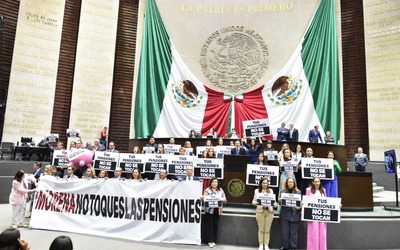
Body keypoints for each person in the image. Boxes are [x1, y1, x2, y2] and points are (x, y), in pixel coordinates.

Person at [252, 177, 277, 250]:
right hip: (260, 211)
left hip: (269, 211)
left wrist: (275, 204)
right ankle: (260, 244)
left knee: (267, 229)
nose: (265, 184)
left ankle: (266, 244)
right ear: (261, 183)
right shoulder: (256, 191)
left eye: (266, 183)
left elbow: (273, 201)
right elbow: (253, 201)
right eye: (263, 183)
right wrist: (255, 203)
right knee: (261, 229)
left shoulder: (271, 191)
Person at [202, 178, 227, 248]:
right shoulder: (207, 190)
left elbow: (225, 199)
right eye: (213, 182)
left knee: (215, 225)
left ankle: (213, 240)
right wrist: (203, 197)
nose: (214, 183)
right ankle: (209, 241)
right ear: (211, 183)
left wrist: (223, 200)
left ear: (218, 183)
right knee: (209, 226)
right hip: (209, 210)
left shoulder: (221, 190)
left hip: (217, 210)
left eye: (216, 182)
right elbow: (204, 198)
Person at [278, 177, 301, 250]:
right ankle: (285, 247)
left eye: (292, 182)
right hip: (285, 214)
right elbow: (279, 202)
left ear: (294, 183)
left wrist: (299, 206)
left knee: (293, 233)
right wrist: (279, 200)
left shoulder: (298, 192)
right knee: (285, 232)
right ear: (287, 183)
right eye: (289, 182)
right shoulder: (282, 191)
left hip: (295, 214)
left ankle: (293, 247)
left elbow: (300, 203)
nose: (290, 183)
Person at [306, 177, 327, 250]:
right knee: (313, 234)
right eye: (316, 181)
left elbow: (327, 203)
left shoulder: (323, 190)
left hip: (322, 215)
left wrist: (337, 206)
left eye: (318, 181)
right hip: (312, 215)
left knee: (322, 234)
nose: (317, 183)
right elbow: (306, 201)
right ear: (313, 182)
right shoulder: (308, 190)